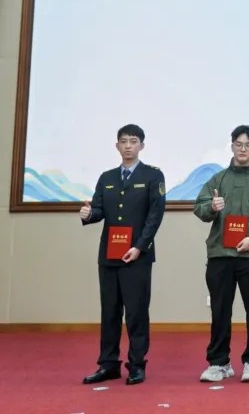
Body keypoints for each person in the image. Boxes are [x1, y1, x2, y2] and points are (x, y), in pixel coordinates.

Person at [193, 125, 249, 383]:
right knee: (220, 310)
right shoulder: (218, 179)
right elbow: (200, 208)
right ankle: (219, 363)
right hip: (220, 254)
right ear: (231, 146)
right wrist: (211, 207)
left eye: (248, 145)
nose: (243, 149)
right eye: (238, 144)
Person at [80, 124, 166, 386]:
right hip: (109, 255)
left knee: (136, 313)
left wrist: (139, 246)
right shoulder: (106, 177)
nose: (128, 146)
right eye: (124, 141)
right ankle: (108, 365)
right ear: (117, 146)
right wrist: (88, 215)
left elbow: (155, 215)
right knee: (109, 311)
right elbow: (98, 210)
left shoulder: (153, 176)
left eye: (133, 141)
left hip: (137, 255)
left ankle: (136, 365)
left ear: (142, 145)